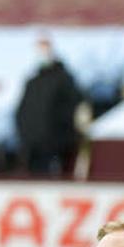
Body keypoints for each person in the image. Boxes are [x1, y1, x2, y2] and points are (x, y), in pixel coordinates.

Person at [14, 34, 83, 176]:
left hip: (56, 148)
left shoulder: (64, 79)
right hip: (32, 147)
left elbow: (74, 108)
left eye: (45, 48)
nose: (42, 53)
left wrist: (62, 139)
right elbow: (22, 112)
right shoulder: (32, 82)